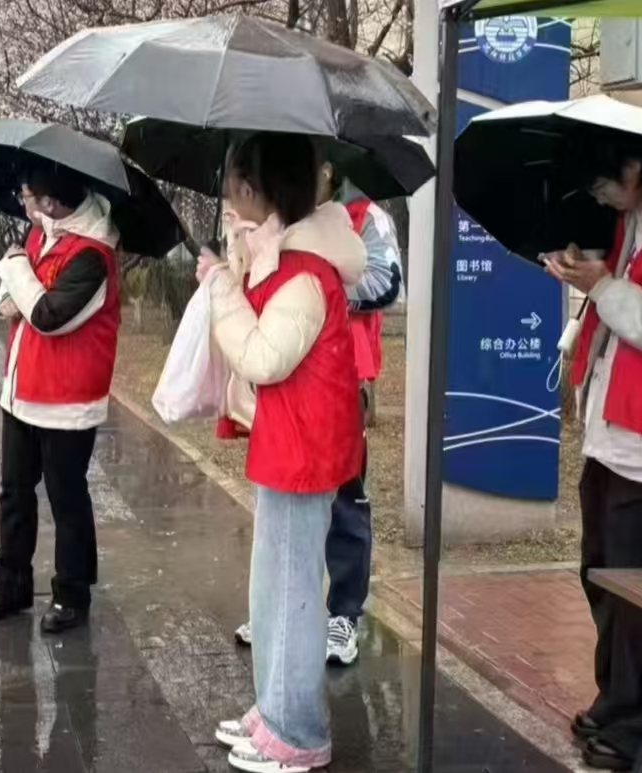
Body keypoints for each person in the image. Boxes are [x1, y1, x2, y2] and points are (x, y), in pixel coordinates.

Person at [200, 133, 366, 773]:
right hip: (290, 444)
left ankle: (297, 733)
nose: (229, 203)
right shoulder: (288, 259)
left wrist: (223, 291)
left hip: (303, 451)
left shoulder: (304, 273)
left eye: (235, 190)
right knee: (272, 587)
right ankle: (273, 708)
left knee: (293, 594)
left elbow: (264, 358)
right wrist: (235, 268)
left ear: (260, 190)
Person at [234, 163, 405, 666]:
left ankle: (343, 614)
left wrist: (315, 281)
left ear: (329, 168)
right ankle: (280, 609)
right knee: (282, 500)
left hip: (343, 376)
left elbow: (388, 284)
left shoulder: (365, 216)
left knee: (345, 501)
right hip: (287, 374)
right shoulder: (281, 215)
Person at [545, 139, 642, 772]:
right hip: (609, 436)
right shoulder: (634, 222)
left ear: (635, 168)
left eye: (603, 185)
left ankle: (640, 722)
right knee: (601, 576)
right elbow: (615, 302)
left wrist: (605, 287)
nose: (600, 200)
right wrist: (589, 277)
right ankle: (617, 699)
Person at [0, 164, 120, 634]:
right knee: (14, 492)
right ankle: (10, 581)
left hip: (66, 400)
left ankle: (72, 592)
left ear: (51, 202)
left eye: (27, 195)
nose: (23, 202)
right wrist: (15, 288)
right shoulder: (40, 234)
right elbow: (7, 302)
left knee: (66, 497)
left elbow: (49, 316)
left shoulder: (93, 255)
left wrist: (16, 271)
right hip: (21, 390)